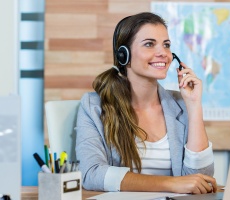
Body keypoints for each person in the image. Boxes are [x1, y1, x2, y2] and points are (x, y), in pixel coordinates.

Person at [75, 12, 217, 194]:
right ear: (123, 55)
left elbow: (200, 180)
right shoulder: (94, 107)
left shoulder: (181, 104)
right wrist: (170, 184)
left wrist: (194, 105)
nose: (163, 54)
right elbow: (91, 173)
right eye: (149, 44)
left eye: (166, 45)